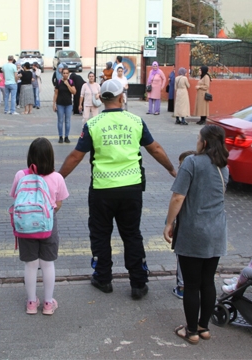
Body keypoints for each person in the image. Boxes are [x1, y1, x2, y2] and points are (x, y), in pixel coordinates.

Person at [59, 79, 177, 300]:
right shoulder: (136, 121)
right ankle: (138, 284)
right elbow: (156, 149)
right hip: (131, 189)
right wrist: (171, 169)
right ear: (122, 97)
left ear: (102, 99)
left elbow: (76, 156)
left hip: (102, 190)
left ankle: (103, 278)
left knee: (101, 234)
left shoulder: (92, 125)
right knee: (131, 234)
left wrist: (56, 179)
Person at [163, 124, 229, 344]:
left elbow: (178, 197)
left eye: (199, 138)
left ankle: (191, 331)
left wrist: (169, 223)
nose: (197, 141)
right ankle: (204, 327)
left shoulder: (191, 162)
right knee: (207, 282)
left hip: (194, 231)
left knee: (191, 284)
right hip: (217, 232)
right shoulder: (223, 166)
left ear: (205, 142)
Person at [10, 137, 69, 315]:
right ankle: (48, 304)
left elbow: (15, 197)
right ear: (51, 157)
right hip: (48, 225)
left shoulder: (21, 175)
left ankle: (31, 303)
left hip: (25, 226)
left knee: (30, 264)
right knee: (48, 264)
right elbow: (58, 203)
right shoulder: (57, 177)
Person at [171, 150, 196, 299]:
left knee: (182, 256)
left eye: (181, 166)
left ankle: (182, 286)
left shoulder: (183, 185)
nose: (179, 169)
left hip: (185, 226)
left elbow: (176, 201)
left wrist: (169, 223)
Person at [53, 68, 76, 144]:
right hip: (60, 104)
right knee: (60, 121)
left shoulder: (71, 82)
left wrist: (68, 84)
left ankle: (66, 137)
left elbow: (74, 92)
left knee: (67, 121)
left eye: (67, 73)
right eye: (64, 73)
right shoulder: (59, 82)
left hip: (68, 104)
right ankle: (60, 136)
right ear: (62, 74)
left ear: (68, 74)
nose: (65, 74)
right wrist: (54, 104)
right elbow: (56, 93)